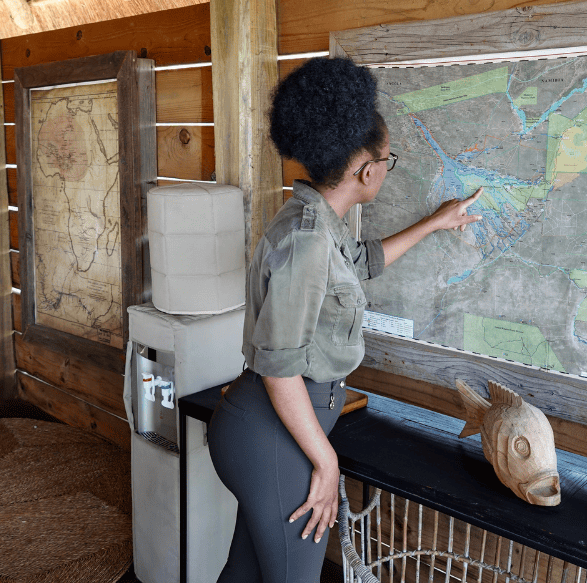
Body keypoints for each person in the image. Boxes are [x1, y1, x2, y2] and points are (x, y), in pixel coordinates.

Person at [207, 57, 483, 583]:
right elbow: (279, 370)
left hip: (269, 430)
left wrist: (435, 223)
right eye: (386, 160)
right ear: (366, 171)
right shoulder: (308, 241)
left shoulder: (316, 221)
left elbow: (361, 263)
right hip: (273, 434)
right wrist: (327, 462)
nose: (385, 169)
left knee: (244, 574)